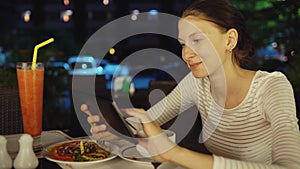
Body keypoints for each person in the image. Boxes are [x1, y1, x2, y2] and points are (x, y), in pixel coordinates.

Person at [83, 0, 300, 168]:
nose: (186, 53)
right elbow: (147, 121)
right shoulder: (198, 84)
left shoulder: (272, 87)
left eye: (197, 40)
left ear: (230, 40)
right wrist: (113, 129)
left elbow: (289, 167)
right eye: (183, 44)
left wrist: (175, 153)